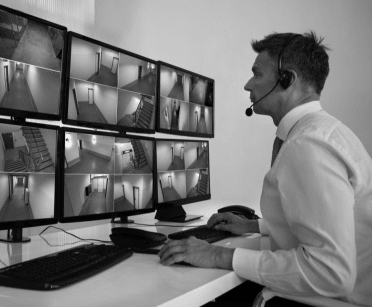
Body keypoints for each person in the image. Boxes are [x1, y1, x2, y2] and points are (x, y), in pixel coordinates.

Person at [158, 32, 372, 307]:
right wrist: (252, 225)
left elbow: (331, 271)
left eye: (256, 73)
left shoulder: (307, 145)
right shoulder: (324, 131)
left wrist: (217, 255)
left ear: (287, 79)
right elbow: (323, 221)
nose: (248, 85)